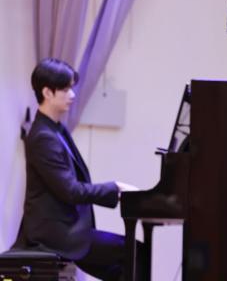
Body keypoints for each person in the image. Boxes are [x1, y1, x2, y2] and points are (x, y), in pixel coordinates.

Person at [12, 58, 143, 280]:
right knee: (135, 254)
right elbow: (70, 191)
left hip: (65, 229)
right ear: (47, 92)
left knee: (130, 259)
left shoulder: (55, 129)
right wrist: (115, 188)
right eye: (65, 89)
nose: (72, 95)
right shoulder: (44, 136)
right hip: (54, 234)